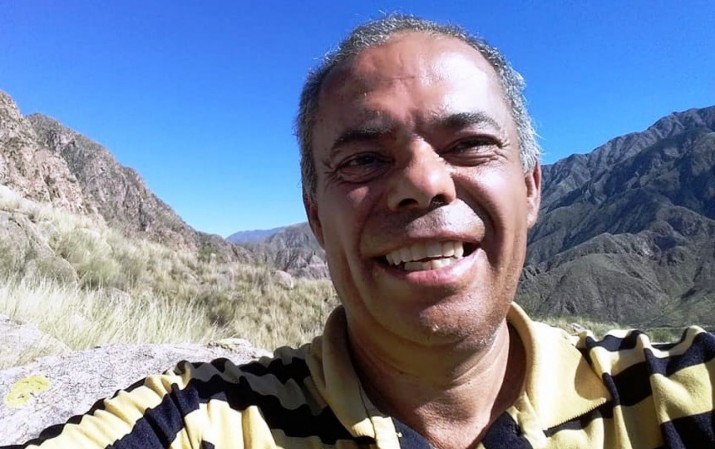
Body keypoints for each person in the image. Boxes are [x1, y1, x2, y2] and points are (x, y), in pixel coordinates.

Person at [7, 15, 714, 449]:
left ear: (531, 188)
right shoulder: (204, 422)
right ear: (316, 214)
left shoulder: (676, 394)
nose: (422, 182)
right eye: (363, 159)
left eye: (470, 144)